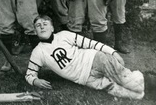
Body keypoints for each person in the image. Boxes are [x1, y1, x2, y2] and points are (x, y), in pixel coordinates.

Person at [25, 15, 156, 100]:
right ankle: (144, 85)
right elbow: (29, 74)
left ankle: (150, 82)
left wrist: (113, 52)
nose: (42, 26)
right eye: (38, 25)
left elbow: (91, 43)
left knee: (125, 80)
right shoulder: (38, 52)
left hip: (94, 59)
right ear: (35, 31)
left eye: (45, 23)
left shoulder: (64, 35)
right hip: (85, 78)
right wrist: (35, 81)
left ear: (52, 27)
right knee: (127, 93)